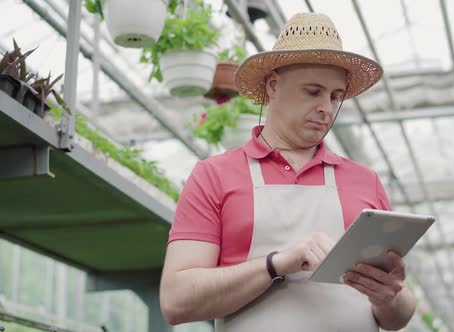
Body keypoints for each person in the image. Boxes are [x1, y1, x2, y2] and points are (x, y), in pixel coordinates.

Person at [160, 12, 416, 331]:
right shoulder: (214, 175)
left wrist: (389, 296)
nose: (327, 107)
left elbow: (400, 314)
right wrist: (277, 263)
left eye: (336, 96)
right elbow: (176, 301)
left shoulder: (365, 181)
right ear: (273, 86)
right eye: (313, 91)